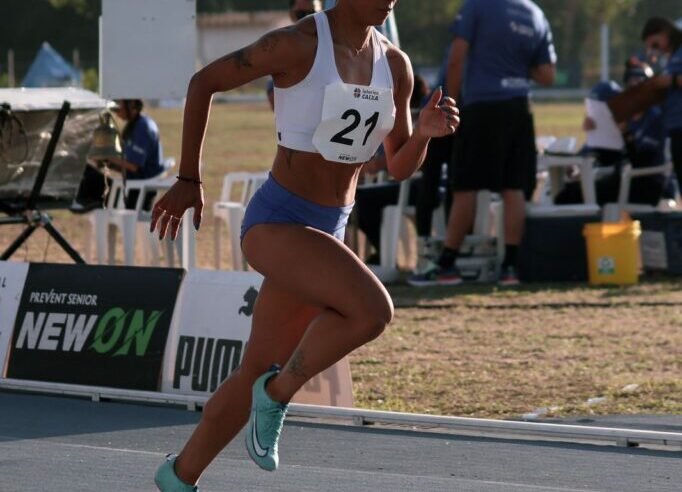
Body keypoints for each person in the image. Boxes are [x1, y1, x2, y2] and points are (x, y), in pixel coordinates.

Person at [149, 2, 459, 490]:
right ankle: (278, 393)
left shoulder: (394, 65)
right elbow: (202, 83)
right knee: (373, 310)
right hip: (278, 221)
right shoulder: (296, 44)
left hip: (330, 227)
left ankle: (179, 476)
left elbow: (397, 165)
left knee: (253, 366)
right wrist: (189, 177)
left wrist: (421, 134)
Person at [410, 0, 556, 288]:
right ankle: (510, 267)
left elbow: (456, 58)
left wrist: (452, 104)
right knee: (514, 187)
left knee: (466, 186)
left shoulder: (478, 6)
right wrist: (512, 61)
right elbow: (547, 75)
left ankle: (447, 264)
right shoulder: (535, 14)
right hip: (520, 107)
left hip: (482, 106)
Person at [555, 64, 671, 207]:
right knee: (569, 192)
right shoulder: (625, 117)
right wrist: (594, 136)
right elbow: (612, 153)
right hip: (624, 178)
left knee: (570, 195)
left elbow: (641, 161)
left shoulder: (655, 118)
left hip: (642, 183)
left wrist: (625, 133)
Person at [640, 17, 682, 198]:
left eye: (656, 44)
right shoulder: (672, 57)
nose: (657, 50)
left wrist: (670, 81)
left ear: (665, 32)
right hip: (675, 128)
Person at [267, 0, 322, 109]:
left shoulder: (336, 42)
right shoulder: (282, 45)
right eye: (301, 14)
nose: (307, 19)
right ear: (292, 15)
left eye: (312, 13)